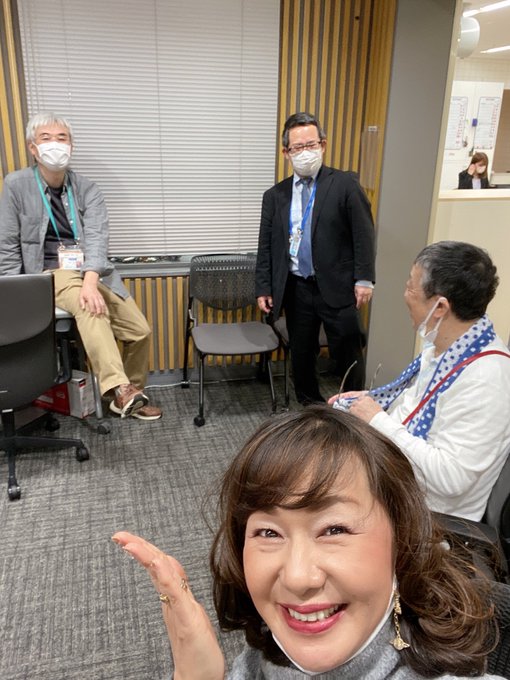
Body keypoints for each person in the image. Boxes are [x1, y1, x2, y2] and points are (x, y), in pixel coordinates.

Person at [113, 406, 503, 679]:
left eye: (334, 530)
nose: (298, 578)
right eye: (268, 532)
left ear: (401, 541)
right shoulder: (255, 662)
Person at [329, 240, 510, 521]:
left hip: (427, 516)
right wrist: (367, 403)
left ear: (440, 307)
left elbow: (450, 478)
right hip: (400, 476)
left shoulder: (486, 380)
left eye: (410, 287)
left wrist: (376, 420)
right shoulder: (448, 347)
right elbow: (415, 407)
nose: (405, 296)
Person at [0, 112, 161, 421]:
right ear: (33, 148)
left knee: (139, 330)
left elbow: (98, 238)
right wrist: (16, 296)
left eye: (62, 138)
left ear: (71, 146)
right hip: (46, 274)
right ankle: (120, 388)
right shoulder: (17, 185)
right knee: (90, 307)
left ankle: (130, 395)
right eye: (46, 138)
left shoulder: (87, 188)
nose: (55, 144)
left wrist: (89, 280)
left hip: (91, 272)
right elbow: (7, 244)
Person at [255, 112, 375, 405]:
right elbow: (266, 246)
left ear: (323, 144)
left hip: (338, 285)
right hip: (296, 287)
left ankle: (353, 407)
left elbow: (363, 234)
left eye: (311, 144)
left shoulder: (344, 185)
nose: (305, 152)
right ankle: (311, 408)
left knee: (348, 351)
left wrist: (364, 278)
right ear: (286, 152)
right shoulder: (275, 195)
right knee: (302, 353)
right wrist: (264, 287)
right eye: (298, 147)